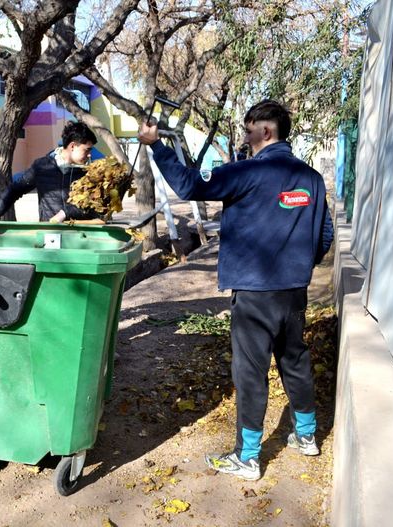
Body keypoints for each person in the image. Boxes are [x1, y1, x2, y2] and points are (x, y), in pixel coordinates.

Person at [138, 99, 334, 481]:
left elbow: (189, 185)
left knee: (250, 371)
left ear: (265, 131)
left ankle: (247, 457)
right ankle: (307, 436)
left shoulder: (246, 173)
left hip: (255, 293)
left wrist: (155, 144)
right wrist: (299, 268)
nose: (244, 138)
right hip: (294, 291)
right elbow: (324, 234)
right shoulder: (311, 179)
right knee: (295, 359)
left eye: (247, 131)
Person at [0, 121, 101, 223]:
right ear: (73, 146)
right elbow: (15, 190)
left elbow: (93, 205)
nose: (89, 154)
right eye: (87, 150)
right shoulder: (42, 167)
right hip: (50, 233)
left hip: (81, 235)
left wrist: (65, 213)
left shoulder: (89, 173)